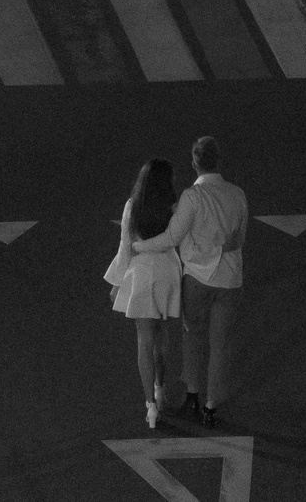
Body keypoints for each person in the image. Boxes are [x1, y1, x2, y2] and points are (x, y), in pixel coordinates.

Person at [127, 134, 247, 427]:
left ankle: (192, 394)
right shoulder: (238, 194)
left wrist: (139, 247)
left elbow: (172, 237)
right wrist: (221, 249)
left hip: (196, 278)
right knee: (220, 345)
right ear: (219, 160)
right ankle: (211, 405)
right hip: (229, 279)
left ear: (194, 163)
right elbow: (239, 239)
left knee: (192, 335)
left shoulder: (192, 197)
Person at [103, 157, 184, 428]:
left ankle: (150, 406)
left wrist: (116, 282)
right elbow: (175, 240)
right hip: (167, 271)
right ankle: (161, 388)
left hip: (140, 274)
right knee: (162, 334)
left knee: (144, 340)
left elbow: (125, 246)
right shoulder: (174, 207)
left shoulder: (132, 206)